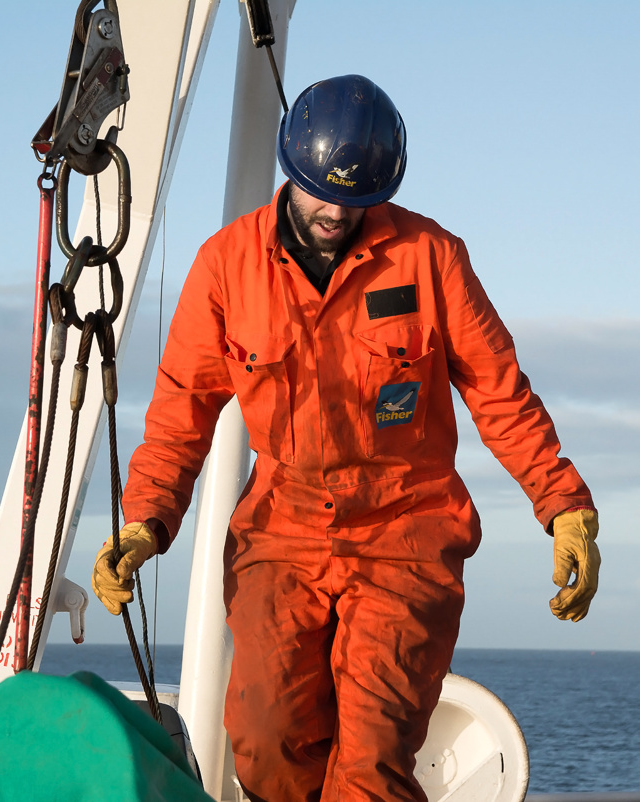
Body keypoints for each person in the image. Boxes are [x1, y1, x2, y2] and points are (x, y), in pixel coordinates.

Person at [92, 74, 600, 802]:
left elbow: (499, 390)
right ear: (288, 172)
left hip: (406, 532)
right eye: (319, 193)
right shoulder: (225, 267)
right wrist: (143, 522)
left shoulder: (433, 257)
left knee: (371, 764)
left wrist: (564, 506)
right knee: (265, 743)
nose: (334, 212)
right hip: (281, 532)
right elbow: (181, 414)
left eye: (355, 200)